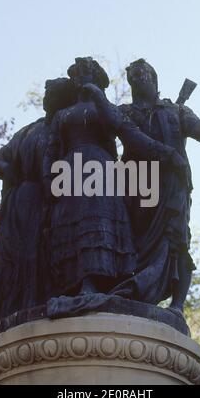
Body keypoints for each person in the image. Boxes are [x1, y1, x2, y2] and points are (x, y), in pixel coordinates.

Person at [83, 58, 200, 313]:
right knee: (131, 238)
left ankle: (178, 304)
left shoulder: (176, 111)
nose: (139, 81)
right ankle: (128, 289)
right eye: (134, 79)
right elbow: (107, 118)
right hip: (135, 183)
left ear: (154, 79)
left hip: (172, 183)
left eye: (143, 76)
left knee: (176, 240)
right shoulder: (126, 111)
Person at [0, 78, 77, 341]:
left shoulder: (65, 127)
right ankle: (10, 308)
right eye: (46, 92)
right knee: (11, 258)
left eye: (52, 93)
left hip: (48, 200)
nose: (47, 96)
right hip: (18, 203)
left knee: (38, 253)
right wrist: (10, 170)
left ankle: (36, 301)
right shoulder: (28, 131)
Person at [43, 57, 138, 296]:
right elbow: (53, 148)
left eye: (85, 74)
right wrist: (48, 179)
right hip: (69, 173)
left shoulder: (104, 108)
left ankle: (101, 281)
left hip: (101, 168)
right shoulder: (62, 115)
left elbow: (118, 131)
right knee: (73, 226)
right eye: (77, 75)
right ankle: (75, 282)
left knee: (98, 222)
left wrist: (98, 96)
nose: (80, 80)